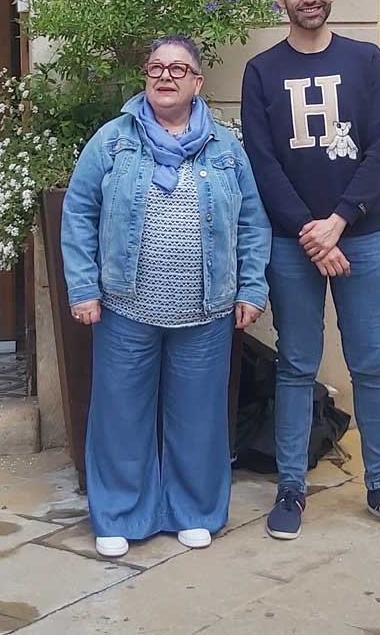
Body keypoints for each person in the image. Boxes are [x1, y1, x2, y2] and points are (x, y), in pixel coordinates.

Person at [61, 36, 271, 559]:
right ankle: (120, 514)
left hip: (207, 308)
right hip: (126, 305)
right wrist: (84, 287)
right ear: (145, 79)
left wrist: (251, 287)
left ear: (198, 82)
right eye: (156, 67)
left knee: (198, 416)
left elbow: (252, 222)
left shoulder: (225, 148)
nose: (166, 76)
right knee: (120, 414)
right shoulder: (112, 141)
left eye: (179, 69)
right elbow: (78, 213)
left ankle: (194, 510)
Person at [240, 0, 380, 540]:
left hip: (363, 239)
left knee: (371, 364)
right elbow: (263, 164)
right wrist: (311, 235)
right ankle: (291, 489)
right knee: (295, 365)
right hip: (293, 245)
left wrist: (337, 223)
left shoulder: (366, 61)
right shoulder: (262, 72)